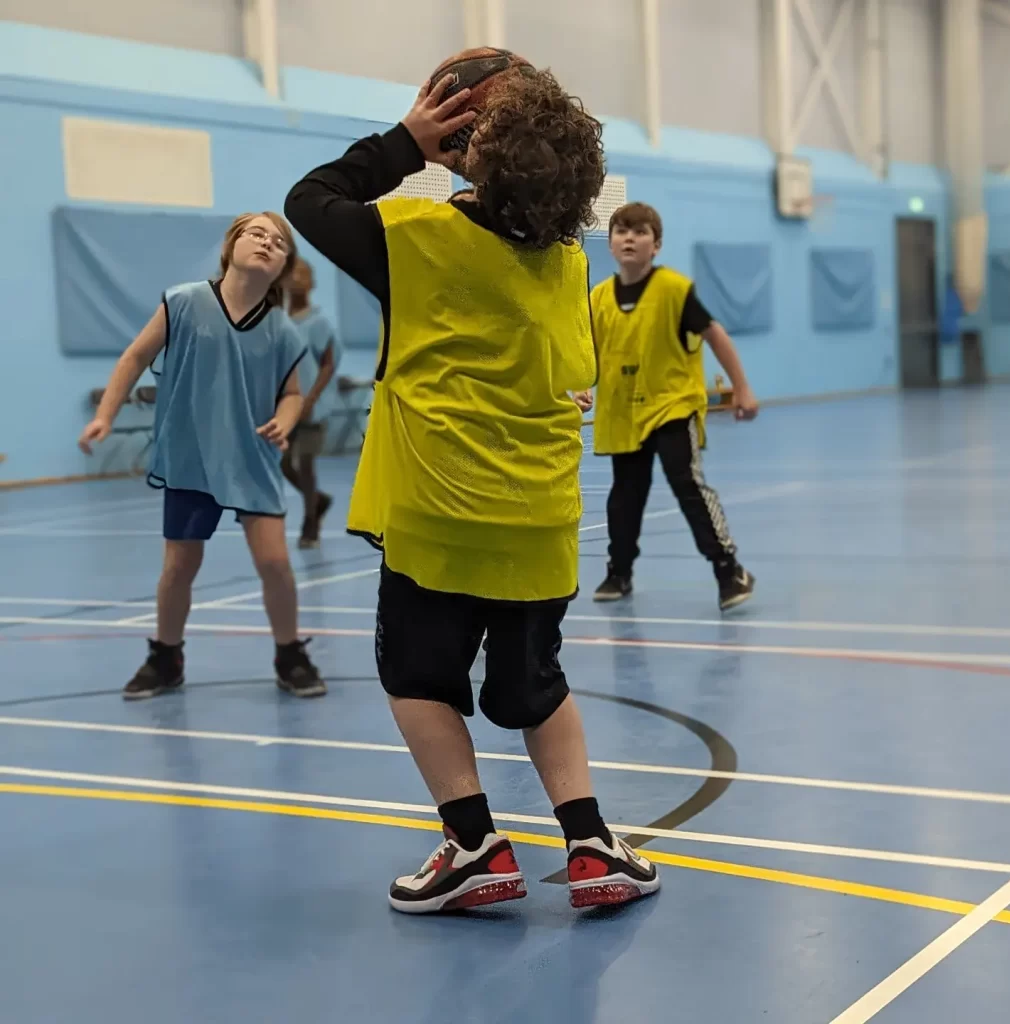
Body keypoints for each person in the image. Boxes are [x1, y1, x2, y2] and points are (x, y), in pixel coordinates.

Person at [285, 67, 660, 913]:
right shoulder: (569, 264)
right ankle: (592, 843)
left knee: (417, 679)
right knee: (539, 685)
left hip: (437, 511)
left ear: (468, 155)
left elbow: (310, 199)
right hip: (538, 520)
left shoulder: (412, 236)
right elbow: (577, 375)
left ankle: (472, 844)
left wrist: (406, 143)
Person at [78, 212, 327, 700]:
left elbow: (293, 393)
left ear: (282, 267)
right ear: (230, 245)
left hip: (251, 457)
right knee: (179, 566)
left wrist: (288, 418)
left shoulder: (281, 329)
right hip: (191, 458)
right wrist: (106, 415)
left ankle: (289, 653)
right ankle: (165, 656)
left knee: (276, 563)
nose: (266, 242)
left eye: (277, 242)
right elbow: (132, 357)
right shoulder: (185, 302)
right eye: (256, 233)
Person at [579, 202, 759, 611]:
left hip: (672, 406)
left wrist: (742, 387)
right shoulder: (599, 298)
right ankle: (618, 571)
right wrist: (579, 386)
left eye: (640, 232)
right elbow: (587, 351)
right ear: (609, 244)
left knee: (687, 484)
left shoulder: (674, 290)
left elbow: (715, 335)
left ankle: (729, 570)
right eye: (621, 231)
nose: (629, 237)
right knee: (625, 495)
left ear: (656, 245)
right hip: (624, 412)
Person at [282, 257, 338, 548]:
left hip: (312, 409)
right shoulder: (280, 322)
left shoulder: (319, 322)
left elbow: (328, 364)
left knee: (305, 464)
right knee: (283, 465)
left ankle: (310, 524)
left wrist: (311, 399)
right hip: (284, 407)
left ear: (312, 282)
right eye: (292, 274)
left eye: (303, 274)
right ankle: (318, 501)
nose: (296, 279)